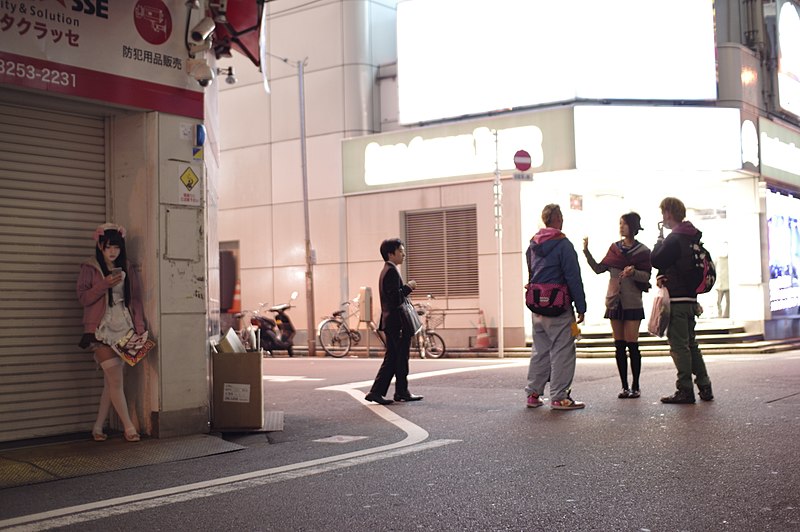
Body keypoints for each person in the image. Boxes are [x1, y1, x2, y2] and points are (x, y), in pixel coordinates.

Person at [77, 223, 145, 441]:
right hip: (100, 330)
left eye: (116, 247)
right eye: (108, 247)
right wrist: (103, 284)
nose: (112, 251)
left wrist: (140, 328)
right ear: (99, 246)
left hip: (125, 327)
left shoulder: (127, 267)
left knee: (111, 382)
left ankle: (97, 427)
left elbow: (135, 299)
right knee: (116, 381)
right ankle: (129, 428)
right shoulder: (90, 268)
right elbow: (83, 298)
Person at [651, 197, 713, 404]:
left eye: (663, 214)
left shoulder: (674, 238)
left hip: (677, 300)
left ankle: (685, 389)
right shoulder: (691, 237)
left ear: (668, 213)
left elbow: (656, 259)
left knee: (679, 346)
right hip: (690, 300)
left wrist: (659, 241)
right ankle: (704, 385)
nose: (663, 218)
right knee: (691, 344)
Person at [524, 204, 587, 410]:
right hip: (558, 306)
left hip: (537, 305)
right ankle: (560, 397)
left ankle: (533, 394)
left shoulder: (532, 245)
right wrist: (581, 306)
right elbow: (573, 277)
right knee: (562, 351)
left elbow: (532, 272)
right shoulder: (563, 244)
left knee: (540, 350)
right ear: (558, 218)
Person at [583, 212, 652, 399]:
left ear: (633, 226)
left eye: (624, 224)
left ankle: (636, 386)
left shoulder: (643, 251)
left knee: (633, 345)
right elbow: (599, 269)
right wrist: (586, 251)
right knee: (619, 346)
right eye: (619, 224)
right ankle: (624, 386)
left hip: (632, 302)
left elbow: (646, 277)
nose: (621, 227)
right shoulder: (614, 249)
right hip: (614, 302)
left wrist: (634, 273)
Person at [365, 238, 424, 405]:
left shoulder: (388, 270)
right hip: (396, 323)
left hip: (392, 322)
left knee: (396, 357)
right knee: (397, 357)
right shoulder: (390, 271)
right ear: (391, 253)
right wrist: (408, 287)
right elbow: (395, 298)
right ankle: (381, 391)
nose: (403, 254)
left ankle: (399, 391)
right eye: (400, 251)